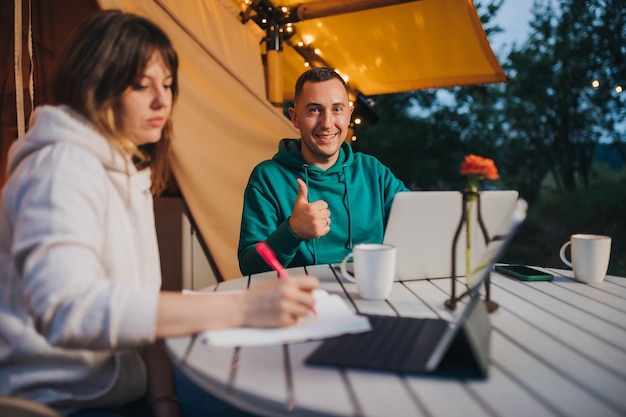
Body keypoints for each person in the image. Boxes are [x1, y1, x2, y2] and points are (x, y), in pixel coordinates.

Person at [0, 10, 318, 417]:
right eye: (141, 85)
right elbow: (69, 309)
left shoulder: (127, 173)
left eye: (167, 85)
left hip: (126, 390)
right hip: (61, 403)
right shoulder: (61, 167)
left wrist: (165, 399)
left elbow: (141, 309)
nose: (162, 100)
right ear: (95, 84)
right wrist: (242, 308)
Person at [238, 67, 409, 275]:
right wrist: (292, 231)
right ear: (295, 117)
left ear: (349, 114)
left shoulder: (373, 172)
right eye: (314, 110)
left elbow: (418, 225)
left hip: (368, 295)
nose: (327, 123)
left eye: (337, 109)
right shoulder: (267, 178)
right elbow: (249, 268)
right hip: (302, 300)